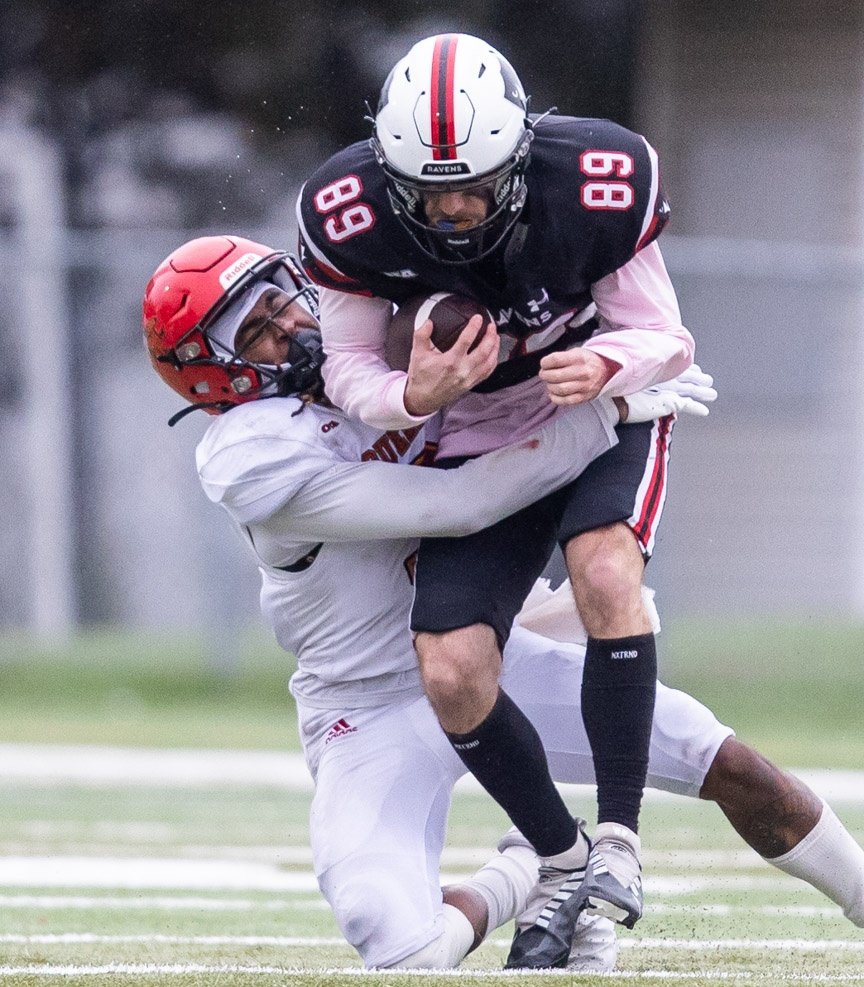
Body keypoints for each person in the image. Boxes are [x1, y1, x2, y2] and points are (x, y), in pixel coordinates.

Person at [143, 235, 864, 971]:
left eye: (283, 301)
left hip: (483, 652)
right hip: (365, 707)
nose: (290, 327)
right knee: (403, 950)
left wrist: (613, 365)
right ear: (212, 372)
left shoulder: (381, 349)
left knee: (725, 760)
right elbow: (462, 502)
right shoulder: (253, 455)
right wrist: (606, 415)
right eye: (257, 329)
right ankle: (530, 867)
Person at [296, 32, 695, 962]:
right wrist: (412, 398)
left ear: (519, 156)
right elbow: (348, 362)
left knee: (602, 568)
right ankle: (560, 858)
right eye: (431, 193)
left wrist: (605, 360)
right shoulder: (347, 209)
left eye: (473, 185)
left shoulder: (597, 175)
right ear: (391, 178)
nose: (455, 209)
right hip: (477, 436)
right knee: (451, 665)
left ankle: (622, 842)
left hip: (600, 409)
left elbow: (664, 336)